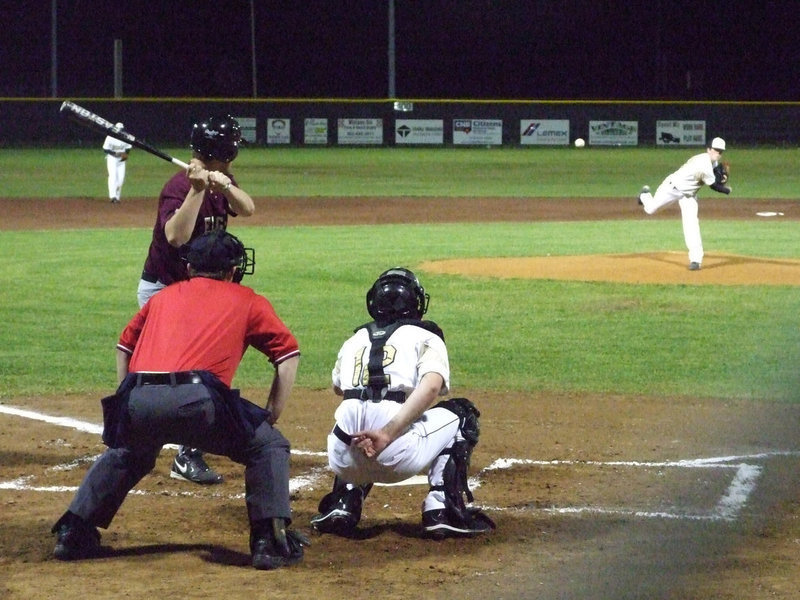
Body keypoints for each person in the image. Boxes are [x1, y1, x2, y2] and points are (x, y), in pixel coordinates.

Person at [51, 230, 308, 570]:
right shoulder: (248, 299)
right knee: (268, 446)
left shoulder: (162, 297)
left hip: (139, 396)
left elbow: (124, 347)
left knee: (130, 450)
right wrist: (271, 413)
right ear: (233, 270)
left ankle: (74, 531)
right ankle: (269, 540)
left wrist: (127, 400)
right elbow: (287, 355)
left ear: (189, 268)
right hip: (198, 401)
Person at [310, 267, 495, 539]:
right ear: (416, 303)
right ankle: (441, 509)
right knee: (462, 413)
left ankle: (343, 502)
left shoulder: (354, 339)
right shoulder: (426, 335)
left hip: (343, 458)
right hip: (396, 456)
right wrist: (387, 431)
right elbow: (432, 386)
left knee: (358, 411)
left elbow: (339, 388)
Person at [138, 114, 256, 484]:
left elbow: (247, 208)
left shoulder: (222, 180)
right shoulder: (178, 187)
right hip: (166, 291)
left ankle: (186, 450)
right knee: (172, 372)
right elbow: (176, 237)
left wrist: (225, 186)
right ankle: (142, 438)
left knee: (200, 368)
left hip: (199, 294)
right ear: (226, 150)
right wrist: (197, 191)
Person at [637, 137, 731, 271]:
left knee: (692, 224)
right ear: (709, 149)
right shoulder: (704, 164)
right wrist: (727, 189)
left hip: (689, 196)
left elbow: (715, 175)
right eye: (716, 150)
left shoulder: (712, 162)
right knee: (650, 209)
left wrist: (721, 178)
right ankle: (644, 195)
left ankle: (696, 260)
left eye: (721, 151)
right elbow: (714, 186)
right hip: (672, 188)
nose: (718, 153)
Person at [102, 125, 132, 204]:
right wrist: (114, 153)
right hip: (112, 159)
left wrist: (125, 155)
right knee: (112, 176)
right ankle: (113, 197)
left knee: (121, 180)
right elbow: (105, 148)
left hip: (121, 160)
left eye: (121, 130)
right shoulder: (110, 137)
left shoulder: (126, 137)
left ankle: (117, 197)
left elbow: (128, 147)